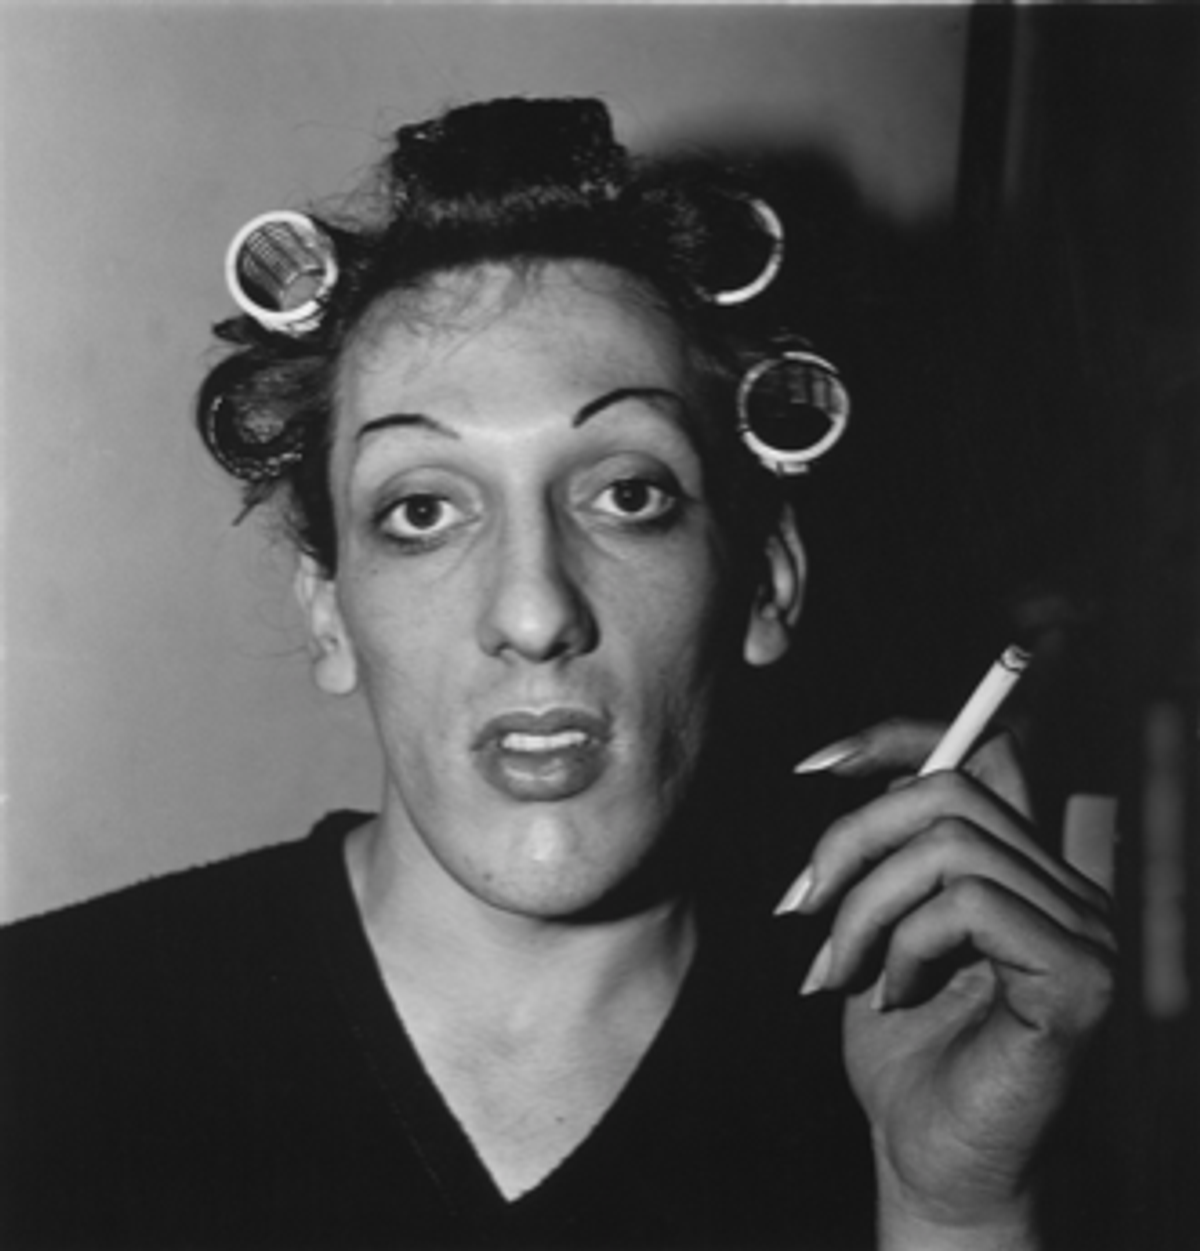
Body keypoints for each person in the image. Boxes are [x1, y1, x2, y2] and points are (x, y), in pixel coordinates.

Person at [1, 97, 1114, 1250]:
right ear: (329, 610)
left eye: (629, 495)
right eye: (423, 510)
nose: (534, 612)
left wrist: (957, 1208)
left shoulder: (927, 1067)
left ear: (767, 581)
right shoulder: (46, 1041)